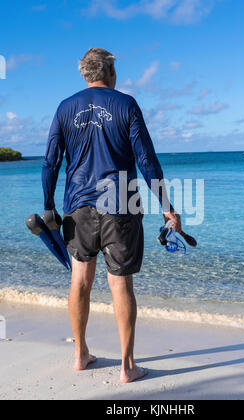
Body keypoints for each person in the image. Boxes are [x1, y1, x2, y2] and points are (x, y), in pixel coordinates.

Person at [42, 48, 181, 383]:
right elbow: (146, 160)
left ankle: (80, 355)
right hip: (120, 205)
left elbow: (50, 162)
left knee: (79, 281)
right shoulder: (126, 104)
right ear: (111, 72)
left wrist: (48, 206)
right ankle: (127, 366)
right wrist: (166, 206)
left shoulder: (65, 108)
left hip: (78, 207)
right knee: (120, 284)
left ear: (85, 74)